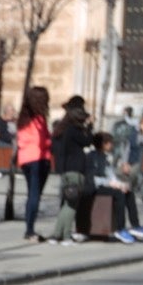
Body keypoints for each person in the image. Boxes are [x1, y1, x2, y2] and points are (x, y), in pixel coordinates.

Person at [86, 132, 143, 243]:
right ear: (103, 144)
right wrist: (112, 184)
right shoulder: (92, 157)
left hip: (105, 184)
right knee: (119, 194)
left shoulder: (106, 157)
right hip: (95, 187)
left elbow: (110, 174)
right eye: (109, 143)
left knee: (128, 192)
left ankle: (135, 225)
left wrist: (120, 184)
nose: (111, 146)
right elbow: (93, 178)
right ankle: (120, 228)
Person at [48, 103, 93, 246]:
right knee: (71, 206)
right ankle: (66, 235)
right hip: (75, 171)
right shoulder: (74, 130)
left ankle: (56, 235)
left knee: (66, 204)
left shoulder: (63, 130)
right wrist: (90, 127)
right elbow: (87, 141)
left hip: (66, 170)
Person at [15, 86, 52, 243]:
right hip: (36, 158)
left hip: (30, 158)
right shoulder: (35, 120)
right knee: (34, 195)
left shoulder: (27, 118)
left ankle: (30, 227)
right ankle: (29, 230)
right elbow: (39, 141)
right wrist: (50, 142)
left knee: (33, 195)